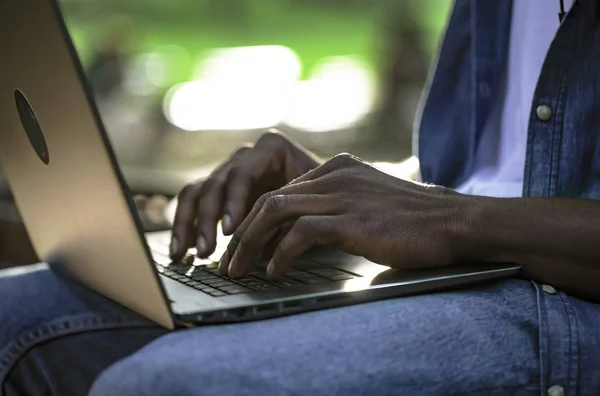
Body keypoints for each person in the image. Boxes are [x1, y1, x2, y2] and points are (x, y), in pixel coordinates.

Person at [2, 0, 600, 394]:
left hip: (566, 296)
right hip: (455, 261)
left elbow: (468, 205)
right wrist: (334, 189)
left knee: (161, 386)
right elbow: (492, 173)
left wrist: (451, 217)